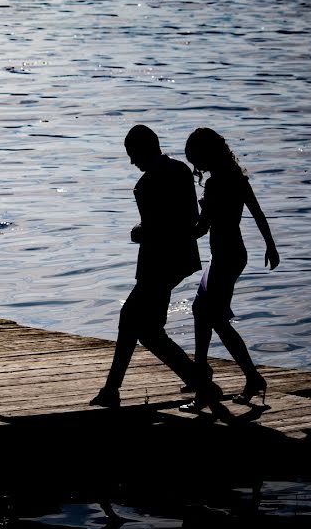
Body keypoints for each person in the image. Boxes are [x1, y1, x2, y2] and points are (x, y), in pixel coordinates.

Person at [90, 125, 222, 410]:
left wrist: (139, 232)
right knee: (148, 330)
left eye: (132, 154)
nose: (131, 161)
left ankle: (113, 390)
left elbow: (159, 226)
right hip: (177, 259)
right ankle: (200, 382)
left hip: (159, 264)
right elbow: (187, 219)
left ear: (143, 149)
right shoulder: (181, 171)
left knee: (132, 320)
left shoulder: (148, 184)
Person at [183, 127, 279, 406]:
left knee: (212, 318)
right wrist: (270, 246)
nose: (195, 167)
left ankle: (220, 381)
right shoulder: (237, 179)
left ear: (206, 154)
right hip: (233, 255)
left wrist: (175, 233)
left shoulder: (215, 185)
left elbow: (203, 227)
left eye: (195, 160)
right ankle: (205, 379)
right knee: (203, 312)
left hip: (225, 258)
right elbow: (258, 214)